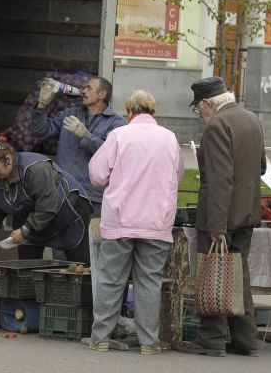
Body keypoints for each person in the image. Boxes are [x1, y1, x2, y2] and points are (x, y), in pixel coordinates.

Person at [87, 90, 183, 355]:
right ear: (153, 112)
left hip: (121, 219)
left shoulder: (119, 135)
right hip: (156, 221)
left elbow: (97, 175)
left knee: (111, 279)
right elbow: (179, 174)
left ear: (130, 111)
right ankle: (149, 342)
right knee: (149, 282)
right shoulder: (170, 138)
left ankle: (101, 338)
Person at [178, 77, 266, 357]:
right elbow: (261, 166)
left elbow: (218, 179)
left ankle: (211, 338)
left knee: (213, 273)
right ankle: (245, 339)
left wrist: (216, 225)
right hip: (247, 213)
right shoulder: (250, 118)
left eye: (198, 109)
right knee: (238, 275)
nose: (199, 115)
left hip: (222, 216)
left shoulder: (217, 125)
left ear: (207, 103)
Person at [31, 76, 127, 265]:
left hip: (92, 198)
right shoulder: (70, 114)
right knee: (63, 254)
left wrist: (86, 136)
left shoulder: (117, 123)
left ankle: (90, 294)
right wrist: (42, 105)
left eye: (88, 88)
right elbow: (40, 131)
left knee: (90, 252)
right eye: (83, 87)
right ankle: (64, 292)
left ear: (102, 94)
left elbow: (113, 156)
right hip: (63, 194)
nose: (83, 91)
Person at [0, 139, 93, 260]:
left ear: (7, 160)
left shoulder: (35, 169)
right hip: (32, 219)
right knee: (26, 266)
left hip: (67, 212)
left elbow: (47, 206)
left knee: (78, 264)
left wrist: (25, 230)